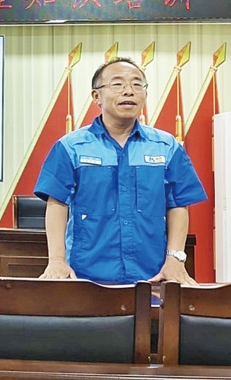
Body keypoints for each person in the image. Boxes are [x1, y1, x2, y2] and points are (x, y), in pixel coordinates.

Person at [34, 57, 206, 285]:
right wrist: (56, 260)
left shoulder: (166, 147)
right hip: (85, 276)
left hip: (152, 275)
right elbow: (57, 203)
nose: (129, 91)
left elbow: (178, 204)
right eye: (117, 84)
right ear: (96, 96)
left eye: (137, 84)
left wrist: (175, 259)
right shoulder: (71, 147)